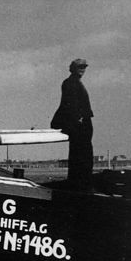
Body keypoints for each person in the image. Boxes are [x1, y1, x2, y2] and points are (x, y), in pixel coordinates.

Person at [51, 58, 94, 190]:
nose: (82, 69)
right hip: (79, 124)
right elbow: (69, 104)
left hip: (82, 123)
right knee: (81, 156)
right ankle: (80, 184)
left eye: (84, 67)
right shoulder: (70, 83)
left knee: (83, 156)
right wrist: (77, 119)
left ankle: (81, 183)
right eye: (80, 67)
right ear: (73, 69)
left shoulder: (75, 83)